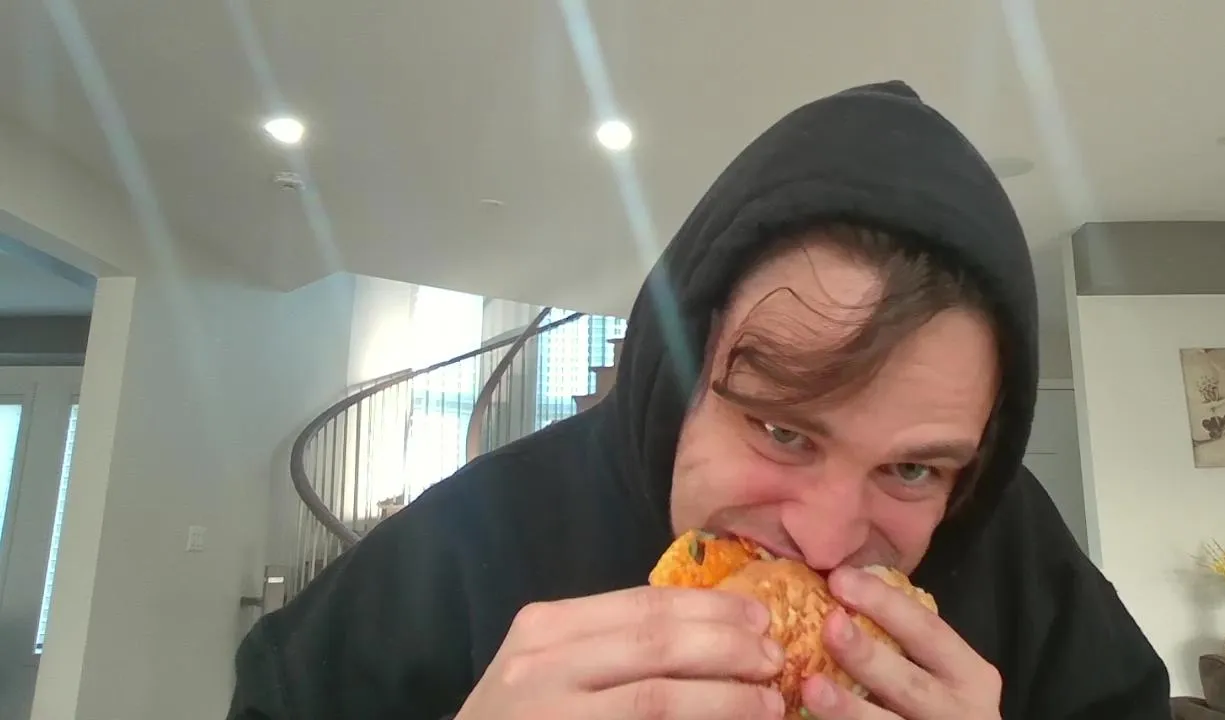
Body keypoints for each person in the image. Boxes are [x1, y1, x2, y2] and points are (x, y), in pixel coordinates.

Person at [226, 81, 1171, 720]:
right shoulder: (468, 547)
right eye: (783, 430)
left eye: (913, 469)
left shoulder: (1017, 561)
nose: (828, 542)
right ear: (677, 380)